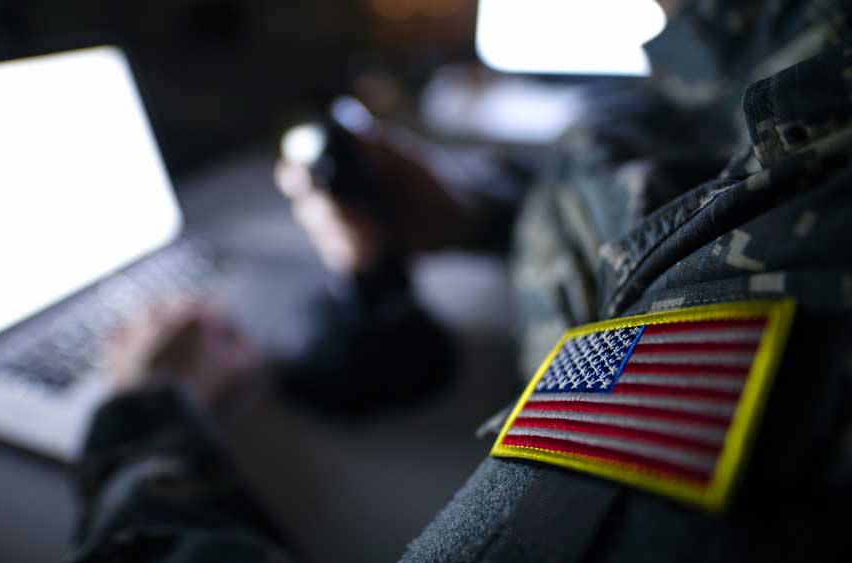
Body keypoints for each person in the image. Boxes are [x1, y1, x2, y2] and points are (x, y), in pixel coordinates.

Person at [69, 0, 852, 561]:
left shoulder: (808, 259)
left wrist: (142, 427)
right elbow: (703, 163)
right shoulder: (776, 34)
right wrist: (478, 213)